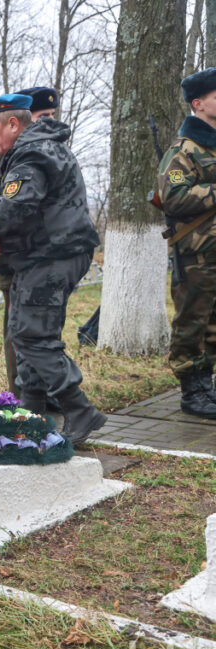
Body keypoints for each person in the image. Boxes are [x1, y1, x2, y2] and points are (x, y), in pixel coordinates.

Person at [0, 94, 105, 445]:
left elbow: (13, 208)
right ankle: (31, 413)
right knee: (25, 332)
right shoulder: (34, 149)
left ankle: (78, 410)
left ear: (14, 124)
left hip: (52, 254)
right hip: (46, 253)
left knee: (30, 335)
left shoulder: (31, 154)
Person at [0, 86, 61, 401]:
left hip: (43, 255)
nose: (48, 122)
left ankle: (44, 388)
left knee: (44, 324)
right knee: (18, 329)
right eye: (43, 116)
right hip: (14, 256)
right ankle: (21, 392)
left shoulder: (42, 150)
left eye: (52, 116)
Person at [156, 67, 216, 418]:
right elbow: (174, 197)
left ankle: (207, 388)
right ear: (199, 103)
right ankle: (192, 391)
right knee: (192, 321)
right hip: (195, 254)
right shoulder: (183, 149)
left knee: (213, 322)